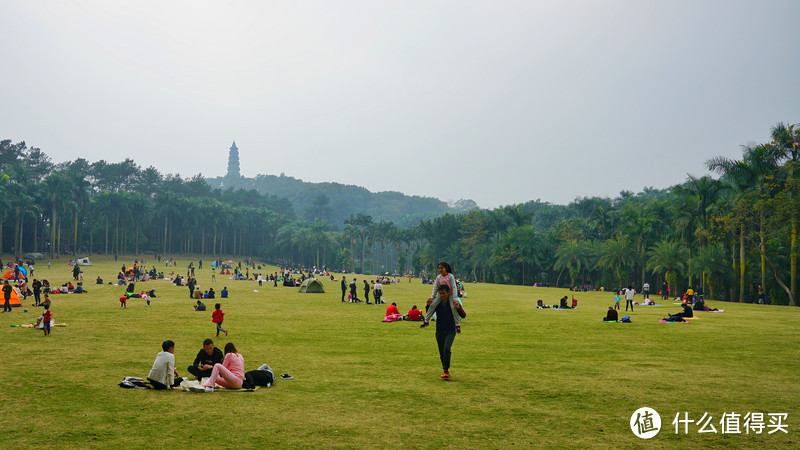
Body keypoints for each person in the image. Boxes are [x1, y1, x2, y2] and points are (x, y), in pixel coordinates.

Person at [425, 284, 458, 379]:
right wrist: (428, 305)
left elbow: (463, 315)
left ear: (448, 292)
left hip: (451, 330)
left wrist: (458, 307)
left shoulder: (452, 302)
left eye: (444, 293)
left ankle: (446, 369)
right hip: (439, 330)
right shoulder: (437, 303)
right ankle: (445, 370)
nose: (442, 295)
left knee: (446, 349)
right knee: (441, 352)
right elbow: (429, 313)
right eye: (440, 294)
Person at [420, 262, 461, 333]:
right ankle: (426, 321)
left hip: (450, 294)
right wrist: (432, 297)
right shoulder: (438, 277)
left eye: (442, 268)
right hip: (441, 294)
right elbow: (435, 287)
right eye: (439, 268)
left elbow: (454, 287)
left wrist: (454, 297)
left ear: (446, 268)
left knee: (453, 307)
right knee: (433, 304)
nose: (440, 269)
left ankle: (457, 325)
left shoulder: (450, 276)